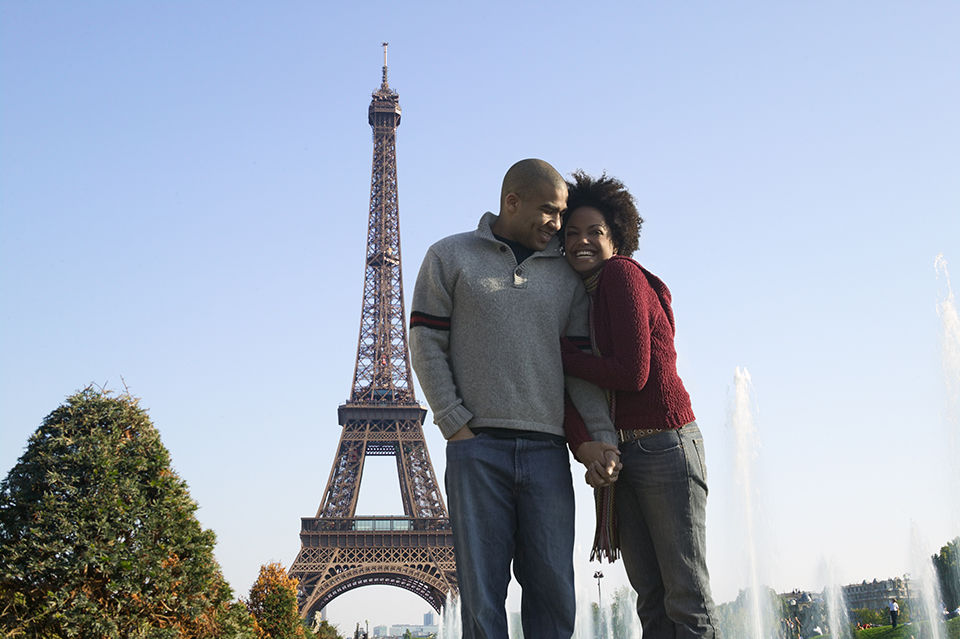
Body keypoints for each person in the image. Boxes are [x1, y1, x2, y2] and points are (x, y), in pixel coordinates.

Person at [409, 159, 620, 639]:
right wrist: (456, 424)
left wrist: (600, 438)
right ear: (512, 202)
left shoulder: (567, 278)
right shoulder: (449, 256)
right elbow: (424, 343)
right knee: (482, 602)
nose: (558, 224)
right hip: (476, 450)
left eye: (562, 213)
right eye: (549, 210)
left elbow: (580, 370)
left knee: (553, 594)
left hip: (547, 452)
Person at [561, 171, 720, 638]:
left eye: (595, 232)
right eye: (571, 233)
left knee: (686, 600)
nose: (581, 241)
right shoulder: (584, 297)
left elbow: (634, 373)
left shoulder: (621, 275)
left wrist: (562, 357)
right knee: (651, 601)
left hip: (664, 446)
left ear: (617, 237)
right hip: (627, 455)